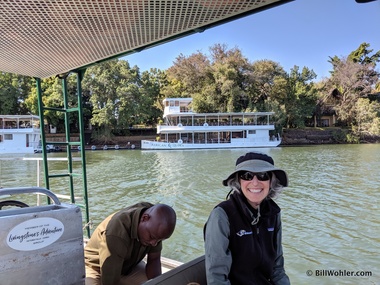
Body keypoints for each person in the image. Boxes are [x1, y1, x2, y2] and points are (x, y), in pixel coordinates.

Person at [204, 152, 290, 285]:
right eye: (247, 176)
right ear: (238, 181)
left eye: (263, 176)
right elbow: (217, 278)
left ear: (271, 181)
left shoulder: (274, 214)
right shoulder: (221, 216)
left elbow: (277, 269)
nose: (255, 182)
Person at [84, 202, 177, 285]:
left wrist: (157, 282)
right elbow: (109, 281)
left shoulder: (155, 226)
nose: (154, 243)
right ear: (145, 218)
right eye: (152, 237)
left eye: (159, 240)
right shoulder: (116, 233)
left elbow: (154, 259)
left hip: (127, 267)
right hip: (97, 269)